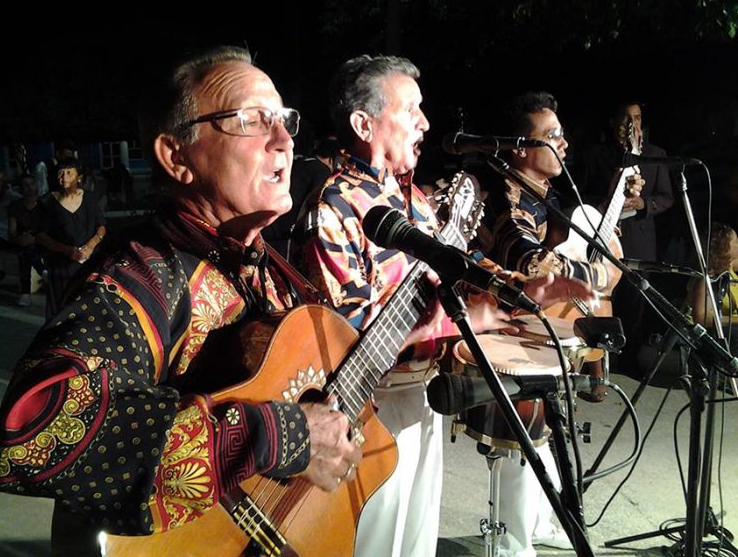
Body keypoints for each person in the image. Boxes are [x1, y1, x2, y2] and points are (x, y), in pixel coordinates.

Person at [0, 45, 361, 556]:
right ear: (176, 157)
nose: (284, 141)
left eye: (284, 120)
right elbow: (37, 428)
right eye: (251, 119)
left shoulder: (268, 266)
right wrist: (282, 435)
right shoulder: (143, 273)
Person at [291, 59, 591, 557]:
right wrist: (434, 324)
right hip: (367, 410)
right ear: (363, 125)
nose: (425, 123)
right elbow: (339, 333)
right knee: (374, 544)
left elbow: (463, 269)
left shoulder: (413, 201)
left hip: (422, 399)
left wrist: (521, 291)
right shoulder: (335, 205)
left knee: (416, 545)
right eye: (411, 110)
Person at [476, 91, 646, 556]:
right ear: (519, 150)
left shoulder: (542, 199)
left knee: (550, 430)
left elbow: (565, 243)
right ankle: (511, 539)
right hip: (505, 336)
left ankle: (537, 520)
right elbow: (534, 266)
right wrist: (602, 273)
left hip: (540, 333)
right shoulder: (506, 202)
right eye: (551, 136)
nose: (563, 143)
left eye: (562, 133)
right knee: (519, 439)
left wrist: (617, 211)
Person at [581, 100, 675, 376]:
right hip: (604, 235)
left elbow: (667, 198)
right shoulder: (596, 155)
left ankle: (628, 358)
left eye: (637, 119)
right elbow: (581, 193)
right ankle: (597, 361)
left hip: (639, 239)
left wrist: (643, 205)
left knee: (635, 300)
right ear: (613, 123)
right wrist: (608, 200)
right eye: (625, 119)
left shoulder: (656, 155)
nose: (631, 125)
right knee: (600, 297)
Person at [35, 157, 107, 320]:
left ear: (79, 177)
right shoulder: (47, 202)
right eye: (60, 173)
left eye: (69, 172)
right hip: (61, 265)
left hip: (88, 262)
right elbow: (41, 235)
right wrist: (67, 250)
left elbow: (101, 226)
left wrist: (91, 245)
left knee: (89, 306)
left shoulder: (89, 198)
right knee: (61, 309)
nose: (64, 177)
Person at [261, 135, 340, 256]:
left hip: (265, 224)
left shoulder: (297, 162)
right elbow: (314, 206)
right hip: (283, 235)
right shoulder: (322, 171)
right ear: (331, 159)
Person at [688, 223, 738, 355]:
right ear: (724, 247)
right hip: (714, 338)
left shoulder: (730, 269)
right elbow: (700, 317)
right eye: (736, 242)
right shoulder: (707, 278)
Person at [7, 174, 47, 306]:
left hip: (43, 240)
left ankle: (25, 293)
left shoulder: (44, 205)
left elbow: (50, 228)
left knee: (28, 250)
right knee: (26, 250)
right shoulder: (15, 206)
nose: (30, 188)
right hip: (24, 241)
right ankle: (43, 272)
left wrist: (35, 239)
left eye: (32, 184)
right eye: (26, 185)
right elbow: (12, 229)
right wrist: (18, 238)